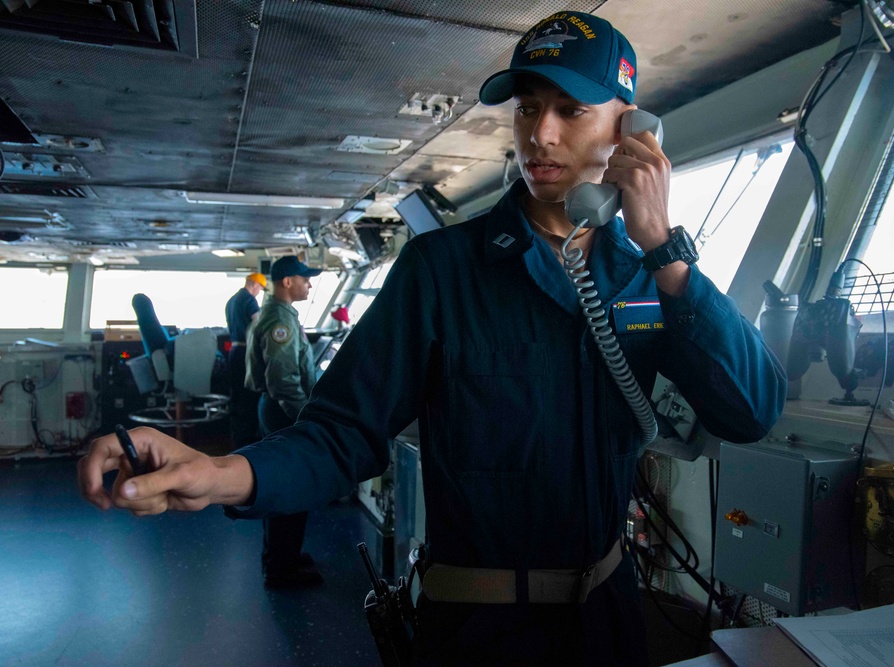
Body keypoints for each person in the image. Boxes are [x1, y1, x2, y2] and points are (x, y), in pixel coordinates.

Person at [79, 12, 785, 665]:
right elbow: (341, 432)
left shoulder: (648, 278)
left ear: (631, 130)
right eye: (529, 107)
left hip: (607, 621)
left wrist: (665, 248)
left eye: (571, 111)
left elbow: (751, 410)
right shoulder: (443, 269)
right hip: (477, 635)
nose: (540, 134)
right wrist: (220, 471)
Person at [242, 256, 324, 589]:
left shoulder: (279, 315)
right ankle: (281, 568)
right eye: (305, 279)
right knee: (292, 488)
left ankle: (281, 556)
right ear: (287, 282)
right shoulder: (281, 321)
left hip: (274, 409)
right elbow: (283, 382)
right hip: (283, 410)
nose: (309, 284)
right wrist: (308, 418)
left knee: (280, 485)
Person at [224, 272, 267, 450]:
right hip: (245, 353)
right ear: (255, 285)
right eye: (260, 289)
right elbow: (258, 326)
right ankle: (248, 442)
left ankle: (236, 439)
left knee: (236, 396)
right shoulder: (249, 300)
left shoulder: (232, 300)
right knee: (248, 397)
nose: (259, 292)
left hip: (233, 352)